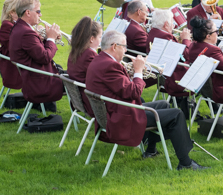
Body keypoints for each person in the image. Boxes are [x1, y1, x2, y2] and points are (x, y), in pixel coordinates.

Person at [85, 30, 207, 170]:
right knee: (177, 114)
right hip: (121, 118)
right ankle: (186, 163)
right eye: (124, 46)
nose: (125, 50)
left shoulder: (100, 60)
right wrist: (138, 71)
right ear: (114, 46)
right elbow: (134, 92)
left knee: (164, 104)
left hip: (113, 111)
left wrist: (131, 74)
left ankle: (151, 150)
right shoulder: (110, 65)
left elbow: (118, 87)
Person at [8, 0, 64, 110]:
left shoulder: (19, 27)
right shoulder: (26, 33)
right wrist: (51, 39)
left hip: (35, 79)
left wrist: (46, 39)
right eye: (38, 11)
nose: (41, 15)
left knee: (76, 75)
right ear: (28, 13)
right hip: (41, 84)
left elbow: (36, 52)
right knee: (81, 80)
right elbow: (45, 57)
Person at [146, 9, 193, 118]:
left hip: (166, 75)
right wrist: (186, 40)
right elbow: (185, 55)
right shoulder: (165, 37)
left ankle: (187, 107)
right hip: (174, 77)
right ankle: (192, 109)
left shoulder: (153, 32)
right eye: (172, 22)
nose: (174, 25)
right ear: (166, 24)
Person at [188, 16, 223, 106]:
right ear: (208, 36)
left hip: (205, 91)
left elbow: (215, 58)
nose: (218, 34)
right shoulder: (212, 50)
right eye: (216, 31)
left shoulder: (193, 45)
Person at [66, 17, 102, 117]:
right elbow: (103, 79)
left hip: (81, 100)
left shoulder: (76, 51)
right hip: (92, 103)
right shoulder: (90, 55)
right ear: (91, 39)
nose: (101, 40)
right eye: (100, 37)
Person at [0, 0, 22, 90]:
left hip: (21, 65)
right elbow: (17, 48)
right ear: (11, 12)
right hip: (16, 70)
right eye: (20, 10)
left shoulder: (16, 24)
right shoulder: (7, 26)